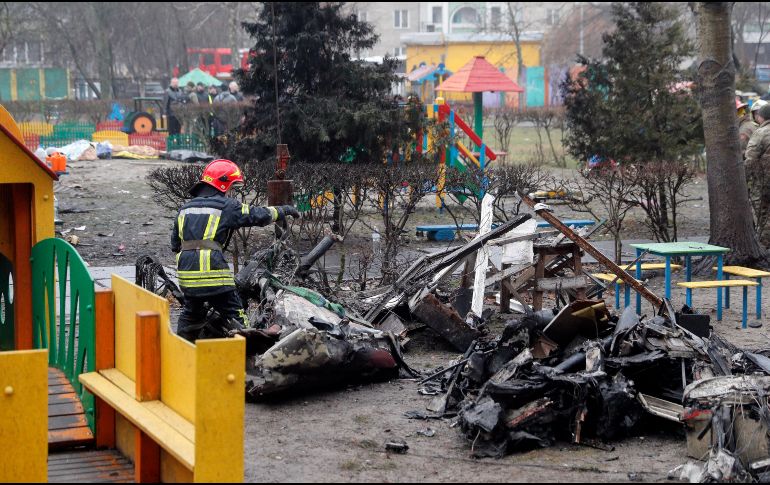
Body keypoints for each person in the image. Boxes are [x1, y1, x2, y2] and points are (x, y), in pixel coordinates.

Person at [171, 159, 300, 342]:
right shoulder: (226, 206)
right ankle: (248, 351)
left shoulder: (184, 209)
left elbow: (175, 244)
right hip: (215, 279)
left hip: (187, 280)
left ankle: (181, 349)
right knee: (236, 315)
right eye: (232, 186)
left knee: (190, 315)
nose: (231, 191)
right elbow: (258, 215)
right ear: (223, 184)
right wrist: (285, 209)